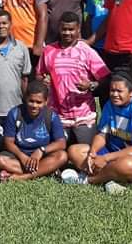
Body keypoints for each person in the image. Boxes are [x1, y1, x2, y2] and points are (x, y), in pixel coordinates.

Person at [62, 70, 132, 193]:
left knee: (127, 165)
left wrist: (106, 158)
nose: (115, 94)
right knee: (75, 151)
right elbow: (102, 134)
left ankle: (89, 180)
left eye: (119, 91)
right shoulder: (110, 105)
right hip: (113, 151)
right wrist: (93, 153)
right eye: (112, 90)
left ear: (131, 93)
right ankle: (112, 176)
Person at [37, 11, 110, 145]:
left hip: (83, 115)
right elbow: (39, 76)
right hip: (57, 114)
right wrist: (43, 81)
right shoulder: (48, 51)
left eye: (71, 29)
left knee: (84, 153)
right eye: (64, 29)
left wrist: (91, 86)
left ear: (78, 29)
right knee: (58, 155)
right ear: (59, 28)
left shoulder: (86, 51)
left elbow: (105, 78)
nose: (67, 33)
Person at [0, 79, 67, 182]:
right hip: (19, 156)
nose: (34, 106)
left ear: (46, 102)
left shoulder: (51, 116)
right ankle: (46, 170)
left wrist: (41, 150)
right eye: (31, 101)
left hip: (42, 157)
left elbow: (61, 143)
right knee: (0, 160)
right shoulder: (14, 113)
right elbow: (8, 142)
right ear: (25, 98)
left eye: (39, 102)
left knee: (62, 156)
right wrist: (22, 157)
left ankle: (23, 177)